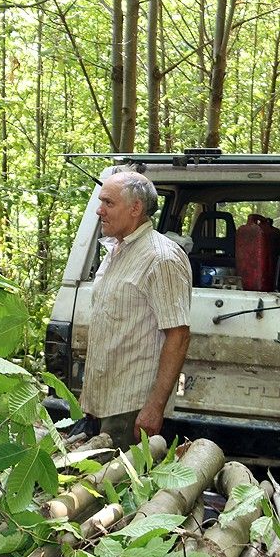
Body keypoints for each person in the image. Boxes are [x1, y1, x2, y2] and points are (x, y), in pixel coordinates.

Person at [80, 171, 191, 450]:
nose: (99, 210)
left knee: (118, 486)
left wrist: (154, 408)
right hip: (104, 401)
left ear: (135, 209)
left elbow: (178, 337)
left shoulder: (161, 258)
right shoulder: (117, 250)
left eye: (108, 203)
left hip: (132, 407)